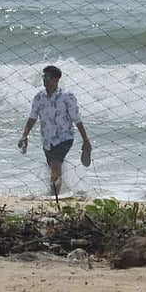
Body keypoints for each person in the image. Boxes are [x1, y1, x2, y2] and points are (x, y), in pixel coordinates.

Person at [17, 65, 91, 197]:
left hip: (65, 137)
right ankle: (67, 191)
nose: (44, 80)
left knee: (56, 164)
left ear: (56, 80)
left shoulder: (67, 96)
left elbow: (76, 119)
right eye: (43, 77)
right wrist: (24, 136)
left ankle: (53, 197)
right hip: (47, 140)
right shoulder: (39, 97)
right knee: (53, 167)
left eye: (47, 77)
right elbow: (32, 118)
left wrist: (86, 140)